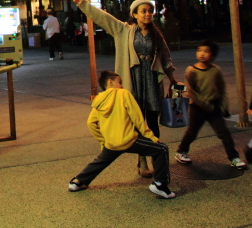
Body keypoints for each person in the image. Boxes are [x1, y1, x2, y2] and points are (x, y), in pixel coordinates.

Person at [72, 0, 176, 178]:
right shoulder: (123, 30)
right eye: (143, 11)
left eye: (150, 11)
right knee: (136, 122)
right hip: (132, 81)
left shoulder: (156, 34)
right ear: (134, 14)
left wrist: (173, 79)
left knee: (152, 122)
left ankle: (155, 158)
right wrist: (83, 4)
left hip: (151, 81)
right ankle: (142, 162)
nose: (147, 14)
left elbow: (166, 58)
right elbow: (103, 17)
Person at [68, 70, 175, 199]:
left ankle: (78, 182)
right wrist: (151, 136)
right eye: (120, 82)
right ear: (110, 82)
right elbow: (138, 118)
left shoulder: (99, 100)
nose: (122, 85)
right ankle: (160, 184)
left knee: (100, 162)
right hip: (128, 140)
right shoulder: (123, 94)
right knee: (161, 149)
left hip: (112, 142)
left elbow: (91, 123)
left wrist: (103, 141)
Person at [175, 40, 248, 169]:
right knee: (192, 132)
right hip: (197, 108)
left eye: (206, 51)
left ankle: (234, 157)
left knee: (224, 133)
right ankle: (181, 151)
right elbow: (190, 92)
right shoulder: (191, 70)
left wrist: (224, 106)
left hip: (214, 107)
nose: (202, 54)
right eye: (199, 50)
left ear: (213, 55)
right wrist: (203, 105)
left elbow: (221, 89)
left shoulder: (215, 70)